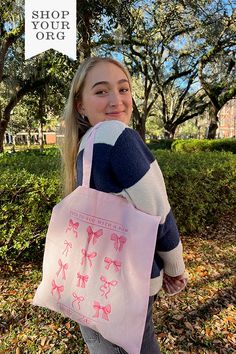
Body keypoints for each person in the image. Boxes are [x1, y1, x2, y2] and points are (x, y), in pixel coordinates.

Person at [62, 56, 187, 354]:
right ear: (81, 104)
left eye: (123, 89)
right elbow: (159, 211)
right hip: (121, 292)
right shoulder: (116, 136)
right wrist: (174, 266)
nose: (117, 100)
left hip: (88, 290)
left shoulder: (86, 145)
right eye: (102, 91)